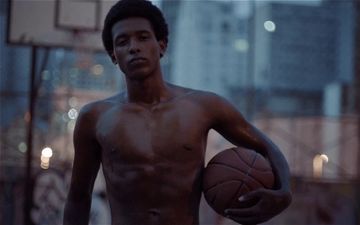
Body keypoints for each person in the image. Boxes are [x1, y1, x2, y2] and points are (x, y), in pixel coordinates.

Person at [63, 0, 292, 224]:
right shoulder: (94, 117)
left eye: (143, 37)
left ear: (161, 45)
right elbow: (78, 198)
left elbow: (266, 146)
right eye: (123, 42)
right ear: (114, 55)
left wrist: (284, 192)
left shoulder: (204, 106)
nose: (134, 47)